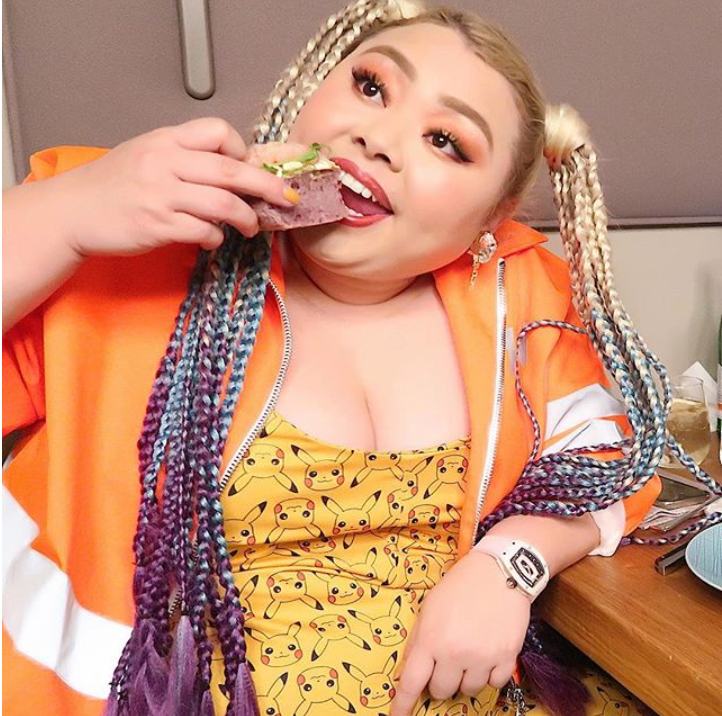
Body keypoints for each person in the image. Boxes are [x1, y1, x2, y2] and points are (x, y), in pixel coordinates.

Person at [7, 1, 711, 715]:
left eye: (446, 141)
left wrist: (510, 564)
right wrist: (73, 211)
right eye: (371, 87)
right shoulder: (140, 250)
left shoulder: (520, 296)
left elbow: (611, 463)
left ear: (491, 220)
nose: (379, 139)